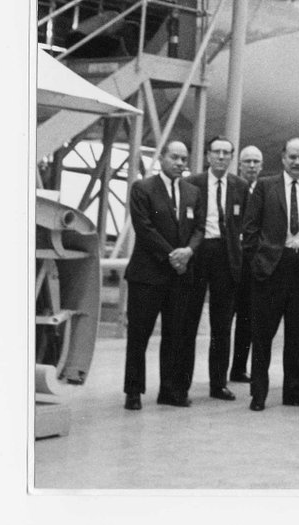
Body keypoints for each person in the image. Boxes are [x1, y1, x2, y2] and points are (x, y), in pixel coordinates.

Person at [243, 137, 299, 411]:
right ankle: (259, 393)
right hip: (271, 269)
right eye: (293, 157)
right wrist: (259, 262)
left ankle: (293, 391)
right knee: (262, 335)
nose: (298, 162)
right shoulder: (266, 186)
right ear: (282, 158)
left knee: (298, 336)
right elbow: (250, 229)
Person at [122, 140, 201, 410]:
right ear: (162, 158)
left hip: (179, 277)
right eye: (174, 157)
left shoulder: (192, 192)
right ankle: (133, 391)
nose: (180, 163)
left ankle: (169, 390)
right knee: (139, 335)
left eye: (184, 159)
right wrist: (172, 256)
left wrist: (189, 251)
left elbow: (199, 228)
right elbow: (144, 228)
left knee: (175, 335)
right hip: (148, 275)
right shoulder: (143, 188)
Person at [181, 135, 247, 402]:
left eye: (226, 153)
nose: (222, 157)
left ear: (232, 157)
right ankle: (181, 383)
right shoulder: (191, 183)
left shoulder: (240, 186)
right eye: (217, 152)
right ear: (208, 155)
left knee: (222, 326)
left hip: (226, 256)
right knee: (188, 321)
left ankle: (218, 383)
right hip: (198, 253)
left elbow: (244, 223)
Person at [229, 144, 263, 383]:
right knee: (224, 320)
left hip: (252, 267)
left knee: (247, 319)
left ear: (261, 166)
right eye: (247, 161)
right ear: (239, 165)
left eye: (255, 162)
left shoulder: (264, 190)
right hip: (230, 264)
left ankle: (239, 367)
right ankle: (219, 368)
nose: (251, 165)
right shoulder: (231, 188)